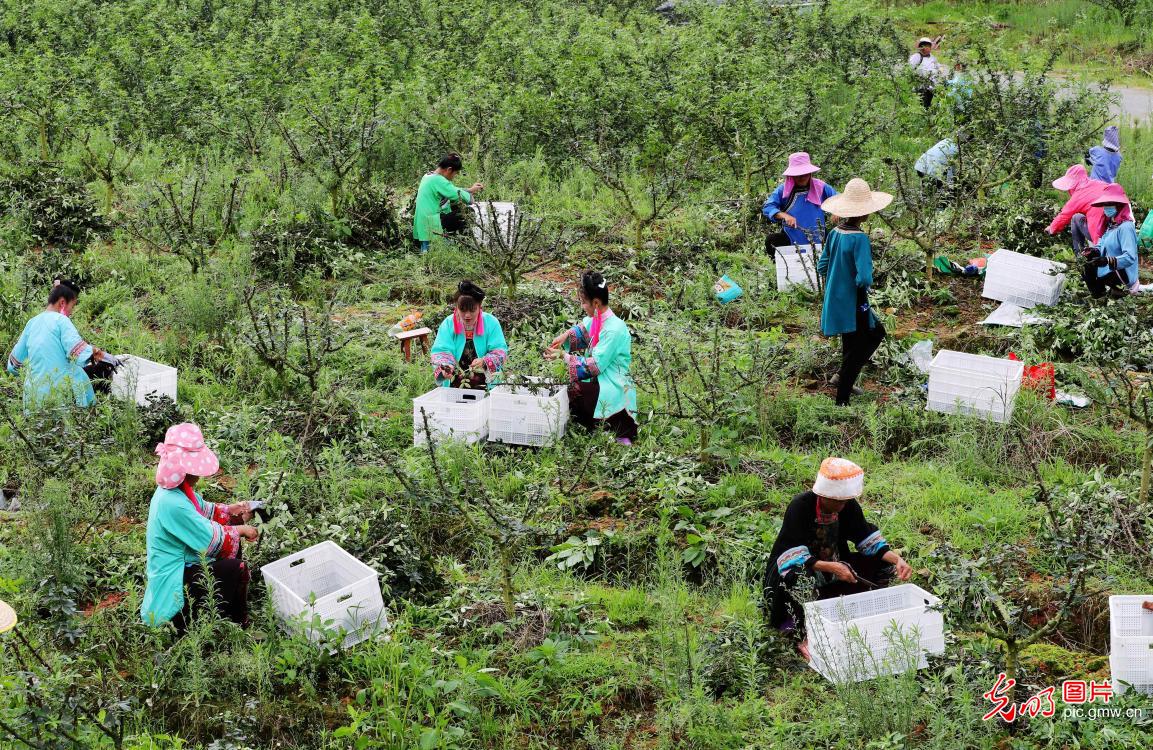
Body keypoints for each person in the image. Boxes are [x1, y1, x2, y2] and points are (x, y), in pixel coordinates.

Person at [764, 458, 913, 661]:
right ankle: (803, 634)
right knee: (800, 576)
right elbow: (792, 556)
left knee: (882, 562)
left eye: (845, 500)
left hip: (834, 566)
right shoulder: (800, 507)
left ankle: (864, 607)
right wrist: (833, 568)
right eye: (837, 500)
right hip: (793, 571)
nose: (842, 505)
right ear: (823, 494)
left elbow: (865, 538)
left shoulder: (848, 506)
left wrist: (897, 560)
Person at [141, 423, 259, 632]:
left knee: (232, 538)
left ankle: (223, 609)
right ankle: (236, 623)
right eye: (195, 470)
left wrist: (233, 510)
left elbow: (205, 510)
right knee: (238, 568)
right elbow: (212, 540)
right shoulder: (172, 503)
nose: (199, 475)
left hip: (183, 564)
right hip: (175, 581)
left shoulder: (178, 491)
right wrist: (241, 529)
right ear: (183, 471)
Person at [817, 178, 892, 406]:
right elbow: (864, 278)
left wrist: (838, 279)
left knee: (852, 342)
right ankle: (842, 399)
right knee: (871, 336)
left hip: (835, 299)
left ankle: (842, 377)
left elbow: (822, 266)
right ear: (865, 212)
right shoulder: (860, 238)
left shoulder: (835, 233)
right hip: (854, 300)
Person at [544, 271, 638, 445]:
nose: (582, 306)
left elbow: (593, 367)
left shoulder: (614, 329)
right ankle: (596, 424)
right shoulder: (597, 319)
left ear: (595, 303)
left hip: (614, 387)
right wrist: (565, 336)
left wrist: (564, 356)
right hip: (601, 382)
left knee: (574, 390)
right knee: (569, 391)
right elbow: (582, 331)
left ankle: (609, 426)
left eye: (583, 302)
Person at [6, 279, 112, 409]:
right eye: (72, 306)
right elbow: (77, 350)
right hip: (60, 397)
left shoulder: (31, 323)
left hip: (33, 399)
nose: (71, 311)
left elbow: (13, 365)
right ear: (62, 302)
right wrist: (101, 355)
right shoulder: (61, 320)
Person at [430, 280, 508, 389]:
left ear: (479, 307)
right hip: (455, 382)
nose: (467, 315)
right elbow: (440, 351)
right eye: (462, 310)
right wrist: (446, 367)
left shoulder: (491, 323)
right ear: (456, 307)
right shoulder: (448, 324)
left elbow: (500, 351)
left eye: (472, 310)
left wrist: (485, 361)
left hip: (486, 382)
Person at [761, 152, 838, 259]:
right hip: (791, 236)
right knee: (772, 240)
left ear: (810, 173)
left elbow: (838, 199)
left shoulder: (821, 187)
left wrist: (836, 210)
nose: (801, 177)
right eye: (798, 175)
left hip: (819, 236)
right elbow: (768, 207)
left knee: (839, 239)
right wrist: (784, 215)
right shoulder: (783, 190)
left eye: (805, 174)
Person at [1045, 164, 1130, 254]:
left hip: (1100, 237)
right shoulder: (1098, 184)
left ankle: (1079, 256)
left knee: (1075, 218)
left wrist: (1052, 229)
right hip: (1118, 233)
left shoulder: (1079, 195)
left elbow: (1064, 216)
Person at [413, 153, 484, 253]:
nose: (454, 176)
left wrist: (470, 190)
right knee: (468, 212)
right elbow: (461, 196)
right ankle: (463, 246)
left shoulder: (428, 176)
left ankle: (452, 240)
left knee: (454, 207)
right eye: (455, 173)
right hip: (432, 224)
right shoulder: (438, 180)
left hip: (423, 224)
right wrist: (470, 197)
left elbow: (452, 190)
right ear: (449, 170)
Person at [1082, 183, 1139, 298]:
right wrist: (1093, 251)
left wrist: (1107, 260)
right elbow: (1102, 244)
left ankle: (1116, 292)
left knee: (1091, 268)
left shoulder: (1126, 227)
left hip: (1124, 274)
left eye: (1110, 204)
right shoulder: (1112, 226)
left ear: (1119, 205)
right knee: (1087, 266)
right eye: (1105, 204)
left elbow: (1129, 257)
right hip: (1114, 269)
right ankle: (1099, 296)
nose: (1106, 207)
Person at [908, 37, 944, 109]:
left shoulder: (932, 57)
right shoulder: (916, 57)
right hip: (920, 87)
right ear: (921, 47)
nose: (928, 48)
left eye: (929, 46)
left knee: (927, 105)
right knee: (921, 106)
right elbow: (909, 70)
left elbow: (938, 66)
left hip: (931, 87)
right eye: (925, 46)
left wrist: (940, 70)